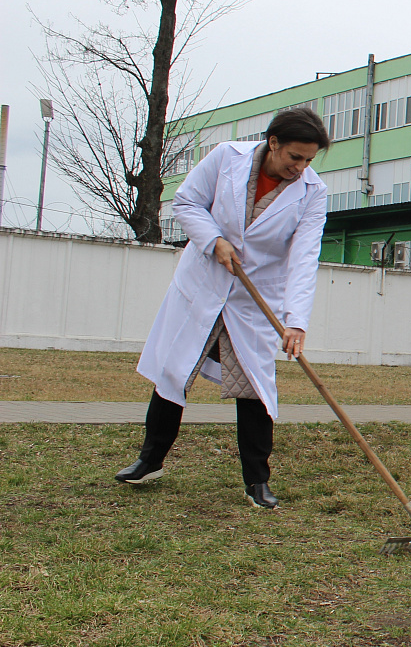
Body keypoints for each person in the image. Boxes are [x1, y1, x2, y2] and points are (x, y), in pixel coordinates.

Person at [116, 107, 331, 510]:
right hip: (203, 284)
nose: (300, 168)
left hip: (254, 299)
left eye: (308, 161)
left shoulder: (312, 193)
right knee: (174, 371)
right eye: (294, 158)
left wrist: (296, 322)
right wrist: (213, 240)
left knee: (253, 385)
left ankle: (257, 482)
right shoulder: (225, 157)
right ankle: (150, 460)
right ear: (273, 143)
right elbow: (187, 203)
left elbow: (304, 258)